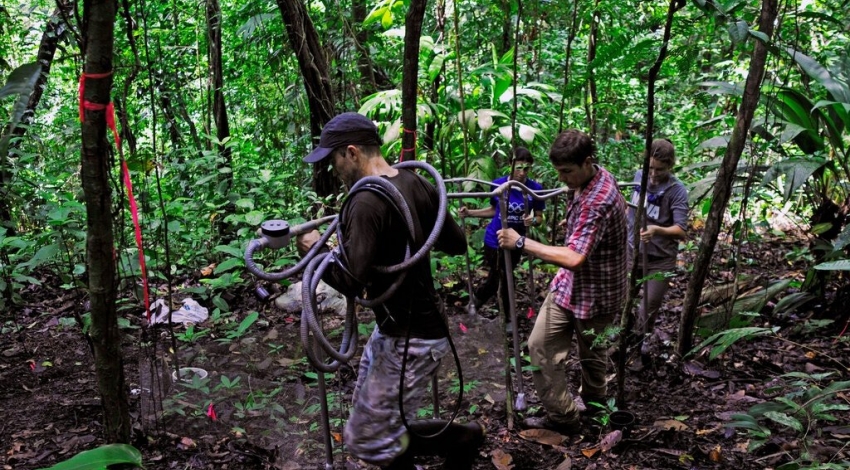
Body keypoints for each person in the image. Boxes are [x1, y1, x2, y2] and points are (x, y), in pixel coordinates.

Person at [295, 112, 484, 470]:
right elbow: (457, 243)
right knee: (368, 429)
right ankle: (454, 441)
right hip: (401, 327)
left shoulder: (365, 202)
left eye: (333, 159)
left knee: (368, 439)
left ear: (352, 152)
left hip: (411, 339)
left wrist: (313, 251)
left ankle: (464, 438)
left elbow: (351, 281)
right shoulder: (414, 182)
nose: (332, 169)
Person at [496, 130, 627, 434]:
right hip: (568, 287)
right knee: (539, 345)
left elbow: (574, 258)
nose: (563, 178)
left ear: (588, 162)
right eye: (559, 172)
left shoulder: (599, 199)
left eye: (567, 171)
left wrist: (520, 242)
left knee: (592, 358)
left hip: (598, 293)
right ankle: (564, 418)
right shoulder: (590, 179)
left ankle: (595, 416)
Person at [458, 147, 545, 325]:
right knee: (504, 277)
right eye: (518, 167)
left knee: (499, 277)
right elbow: (493, 210)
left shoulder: (535, 189)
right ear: (510, 165)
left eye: (526, 168)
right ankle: (507, 319)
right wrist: (470, 213)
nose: (522, 172)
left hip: (516, 242)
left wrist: (532, 221)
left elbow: (539, 217)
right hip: (494, 239)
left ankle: (475, 304)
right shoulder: (498, 184)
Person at [628, 139, 688, 370]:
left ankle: (639, 349)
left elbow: (681, 231)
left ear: (670, 165)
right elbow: (629, 209)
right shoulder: (637, 176)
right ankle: (625, 342)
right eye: (649, 168)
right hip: (631, 253)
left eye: (659, 169)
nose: (652, 174)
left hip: (659, 260)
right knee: (625, 301)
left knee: (648, 307)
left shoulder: (676, 190)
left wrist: (656, 229)